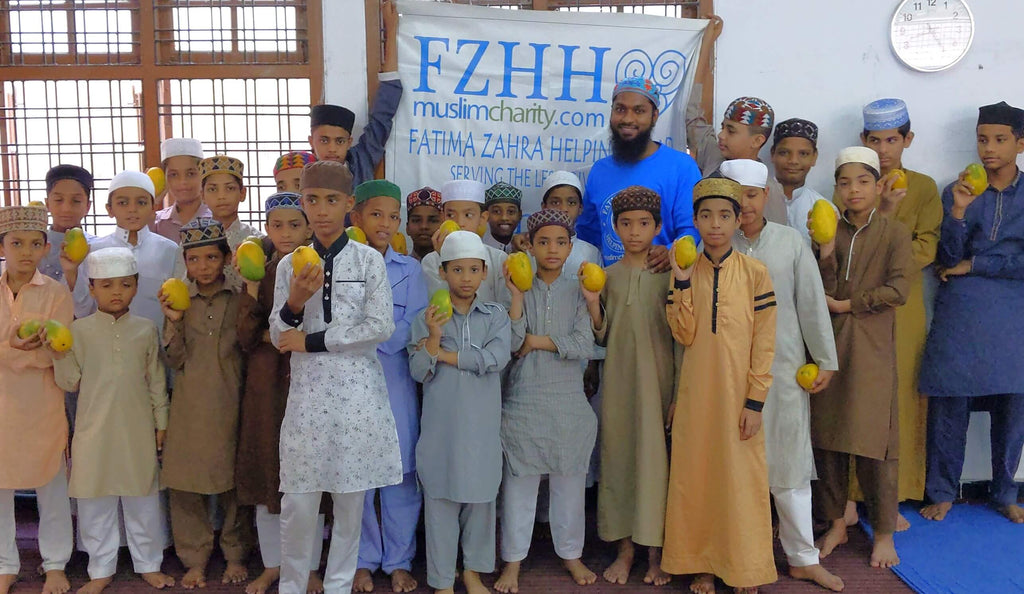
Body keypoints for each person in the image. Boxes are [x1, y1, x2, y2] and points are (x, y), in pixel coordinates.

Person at [270, 161, 402, 594]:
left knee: (350, 508)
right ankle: (292, 586)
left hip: (357, 402)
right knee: (299, 506)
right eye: (312, 200)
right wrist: (294, 302)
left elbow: (379, 326)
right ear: (303, 203)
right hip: (307, 402)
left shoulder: (368, 261)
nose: (321, 210)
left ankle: (340, 586)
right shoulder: (290, 264)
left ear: (349, 205)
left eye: (331, 200)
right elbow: (277, 332)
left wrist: (311, 342)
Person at [723, 160, 844, 592]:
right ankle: (744, 560)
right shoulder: (714, 245)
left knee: (789, 467)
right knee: (738, 469)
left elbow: (811, 303)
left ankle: (802, 558)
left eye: (752, 195)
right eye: (735, 195)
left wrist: (825, 358)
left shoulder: (790, 242)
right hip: (729, 375)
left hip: (785, 369)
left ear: (766, 196)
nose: (745, 204)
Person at [660, 176, 777, 594]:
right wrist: (683, 281)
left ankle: (743, 566)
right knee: (696, 477)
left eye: (724, 215)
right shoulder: (686, 269)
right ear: (694, 220)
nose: (714, 224)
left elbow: (765, 343)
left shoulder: (755, 273)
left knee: (740, 480)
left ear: (738, 220)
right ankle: (701, 565)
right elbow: (684, 333)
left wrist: (755, 401)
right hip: (697, 395)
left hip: (739, 397)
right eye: (706, 216)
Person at [919, 101, 1024, 524]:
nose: (989, 149)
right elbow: (944, 259)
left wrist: (977, 265)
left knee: (1014, 401)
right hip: (961, 310)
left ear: (1020, 143)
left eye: (1000, 140)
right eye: (983, 139)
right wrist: (959, 211)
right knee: (950, 399)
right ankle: (943, 491)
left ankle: (1005, 492)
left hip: (1013, 312)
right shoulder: (956, 190)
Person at [844, 98, 942, 531]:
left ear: (908, 140)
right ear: (863, 140)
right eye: (875, 140)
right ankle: (848, 496)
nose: (884, 150)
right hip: (856, 308)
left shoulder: (923, 188)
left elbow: (927, 247)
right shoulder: (852, 183)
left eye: (892, 140)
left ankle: (894, 497)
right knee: (853, 396)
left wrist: (885, 253)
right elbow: (846, 241)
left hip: (901, 308)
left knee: (899, 399)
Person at [51, 247, 173, 594]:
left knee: (143, 498)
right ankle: (100, 569)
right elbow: (69, 382)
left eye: (124, 284)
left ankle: (149, 564)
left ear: (136, 286)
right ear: (91, 289)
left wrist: (161, 422)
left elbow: (156, 381)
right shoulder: (79, 330)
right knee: (94, 501)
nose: (116, 292)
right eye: (106, 286)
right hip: (93, 431)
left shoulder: (147, 329)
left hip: (137, 430)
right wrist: (58, 352)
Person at [811, 147, 910, 569]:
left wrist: (850, 306)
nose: (853, 190)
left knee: (876, 446)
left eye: (863, 181)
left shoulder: (893, 231)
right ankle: (836, 522)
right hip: (829, 345)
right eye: (845, 182)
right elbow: (822, 289)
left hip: (871, 346)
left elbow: (899, 290)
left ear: (878, 185)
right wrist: (828, 250)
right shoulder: (826, 228)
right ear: (835, 187)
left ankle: (884, 533)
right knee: (828, 440)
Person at [494, 210, 598, 594]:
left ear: (571, 247)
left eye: (560, 242)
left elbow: (585, 346)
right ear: (530, 246)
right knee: (518, 490)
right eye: (543, 242)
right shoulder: (517, 287)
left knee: (569, 488)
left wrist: (537, 342)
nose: (552, 249)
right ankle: (512, 563)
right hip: (524, 401)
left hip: (569, 403)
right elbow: (509, 344)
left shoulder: (579, 288)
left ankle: (571, 555)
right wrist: (518, 298)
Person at [408, 230, 511, 594]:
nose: (465, 278)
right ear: (443, 272)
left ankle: (473, 573)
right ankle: (441, 582)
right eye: (457, 270)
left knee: (481, 502)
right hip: (441, 431)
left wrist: (443, 355)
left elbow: (496, 359)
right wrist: (434, 338)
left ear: (485, 272)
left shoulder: (496, 315)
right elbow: (419, 371)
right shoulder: (427, 317)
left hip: (481, 429)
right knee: (440, 505)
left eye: (473, 270)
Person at [585, 186, 678, 586]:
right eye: (626, 224)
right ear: (615, 227)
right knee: (620, 461)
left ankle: (656, 553)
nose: (635, 232)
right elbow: (601, 336)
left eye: (644, 224)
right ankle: (625, 550)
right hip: (620, 388)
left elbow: (683, 336)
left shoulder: (672, 274)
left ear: (658, 227)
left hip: (661, 385)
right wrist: (592, 302)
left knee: (657, 467)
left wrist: (679, 396)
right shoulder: (607, 276)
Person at [234, 192, 325, 594]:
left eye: (294, 225)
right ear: (266, 230)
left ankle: (308, 567)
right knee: (267, 472)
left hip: (309, 380)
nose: (285, 233)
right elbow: (245, 337)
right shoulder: (260, 269)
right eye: (277, 226)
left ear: (308, 227)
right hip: (265, 386)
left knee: (310, 477)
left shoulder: (320, 268)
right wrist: (252, 288)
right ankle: (274, 565)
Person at [159, 217, 251, 589]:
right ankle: (194, 559)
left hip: (233, 402)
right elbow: (174, 359)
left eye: (211, 258)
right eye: (194, 260)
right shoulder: (176, 298)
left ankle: (235, 555)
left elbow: (248, 345)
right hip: (188, 407)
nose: (203, 267)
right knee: (185, 486)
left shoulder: (241, 295)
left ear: (227, 258)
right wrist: (174, 320)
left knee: (233, 484)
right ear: (185, 262)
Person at [349, 180, 427, 594]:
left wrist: (362, 337)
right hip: (350, 385)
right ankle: (362, 561)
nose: (385, 223)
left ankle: (398, 560)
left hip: (395, 384)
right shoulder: (341, 265)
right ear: (356, 216)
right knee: (357, 478)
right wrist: (362, 336)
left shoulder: (411, 270)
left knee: (400, 477)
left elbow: (410, 328)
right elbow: (335, 324)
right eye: (376, 214)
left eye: (392, 216)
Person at [0, 205, 74, 594]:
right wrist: (15, 351)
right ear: (3, 246)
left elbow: (57, 353)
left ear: (46, 248)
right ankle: (4, 564)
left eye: (34, 244)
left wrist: (16, 354)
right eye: (16, 243)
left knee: (51, 484)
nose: (25, 252)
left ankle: (56, 563)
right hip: (1, 407)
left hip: (42, 404)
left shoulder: (56, 293)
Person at [575, 77, 701, 267]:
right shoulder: (599, 171)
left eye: (639, 111)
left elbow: (694, 228)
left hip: (664, 285)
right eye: (620, 109)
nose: (627, 119)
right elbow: (587, 236)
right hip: (610, 289)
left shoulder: (681, 167)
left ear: (655, 115)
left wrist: (670, 251)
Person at [308, 2, 401, 187]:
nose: (332, 149)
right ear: (311, 141)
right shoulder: (301, 175)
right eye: (324, 140)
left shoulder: (360, 162)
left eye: (340, 141)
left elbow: (385, 109)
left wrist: (391, 29)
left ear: (350, 142)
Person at [89, 171, 180, 330]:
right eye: (123, 203)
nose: (132, 209)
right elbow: (84, 305)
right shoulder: (95, 250)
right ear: (109, 209)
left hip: (157, 347)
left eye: (141, 202)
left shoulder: (170, 250)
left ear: (153, 208)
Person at [174, 155, 261, 291]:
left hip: (245, 310)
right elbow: (179, 286)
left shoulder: (257, 239)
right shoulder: (191, 239)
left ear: (242, 193)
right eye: (213, 189)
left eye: (230, 188)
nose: (221, 196)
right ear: (202, 195)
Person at [420, 179, 511, 308]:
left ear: (482, 218)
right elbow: (438, 306)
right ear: (443, 218)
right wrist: (445, 258)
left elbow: (505, 308)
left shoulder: (498, 259)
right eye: (451, 215)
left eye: (468, 215)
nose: (459, 222)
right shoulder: (431, 261)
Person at [39, 164, 97, 318]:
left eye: (76, 201)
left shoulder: (98, 248)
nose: (66, 208)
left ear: (88, 206)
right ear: (47, 203)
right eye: (58, 200)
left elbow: (90, 308)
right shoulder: (34, 246)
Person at [769, 119, 829, 242]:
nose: (793, 161)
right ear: (772, 154)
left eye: (803, 154)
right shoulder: (754, 202)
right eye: (784, 152)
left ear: (814, 157)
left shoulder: (823, 207)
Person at [537, 171, 601, 279]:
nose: (563, 209)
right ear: (544, 207)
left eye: (571, 203)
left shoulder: (591, 253)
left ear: (580, 208)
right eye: (555, 202)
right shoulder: (532, 250)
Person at [150, 138, 212, 243]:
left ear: (203, 174)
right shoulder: (156, 223)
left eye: (190, 174)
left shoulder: (216, 219)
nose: (183, 181)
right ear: (165, 178)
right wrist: (152, 200)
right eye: (174, 175)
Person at [482, 181, 523, 254]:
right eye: (496, 211)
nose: (504, 218)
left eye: (511, 212)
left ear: (520, 215)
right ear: (486, 215)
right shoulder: (479, 247)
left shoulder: (525, 247)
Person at [405, 186, 443, 261]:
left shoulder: (455, 268)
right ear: (407, 228)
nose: (423, 226)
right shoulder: (398, 269)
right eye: (416, 220)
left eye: (433, 221)